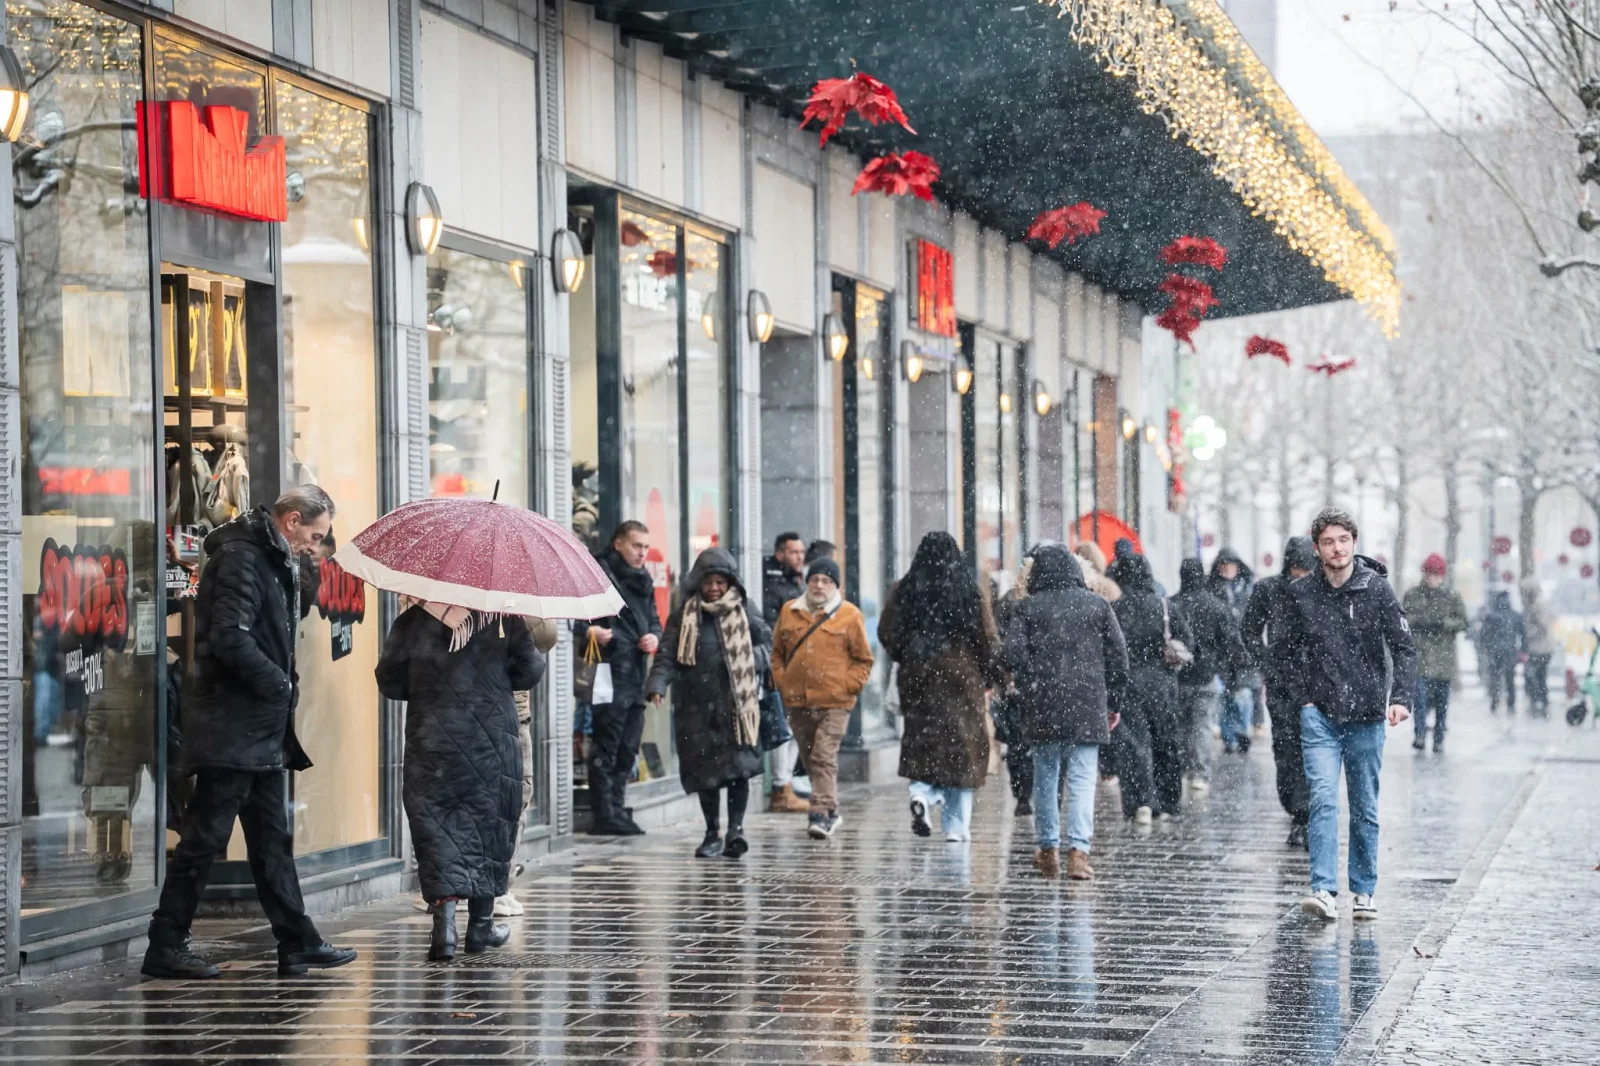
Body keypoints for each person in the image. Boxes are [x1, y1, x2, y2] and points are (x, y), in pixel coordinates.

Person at [143, 487, 357, 980]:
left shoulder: (275, 558)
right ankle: (165, 944)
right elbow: (229, 637)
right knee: (204, 838)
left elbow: (280, 624)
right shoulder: (241, 558)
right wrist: (279, 684)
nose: (317, 545)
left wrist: (305, 570)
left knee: (271, 840)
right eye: (315, 536)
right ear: (292, 520)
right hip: (234, 725)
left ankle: (297, 942)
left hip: (259, 728)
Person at [377, 603, 543, 960]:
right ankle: (480, 929)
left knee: (438, 831)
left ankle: (445, 930)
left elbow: (389, 679)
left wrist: (430, 682)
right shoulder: (503, 618)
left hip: (432, 739)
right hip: (492, 740)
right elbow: (530, 671)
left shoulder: (413, 620)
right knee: (490, 825)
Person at [1280, 507, 1417, 922]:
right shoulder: (1302, 594)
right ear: (1317, 546)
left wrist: (1401, 698)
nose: (1336, 548)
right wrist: (1302, 698)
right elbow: (1283, 652)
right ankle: (1323, 889)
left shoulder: (1375, 589)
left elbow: (1404, 648)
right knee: (1322, 798)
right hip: (1319, 714)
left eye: (1343, 540)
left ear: (1354, 543)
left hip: (1367, 714)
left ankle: (1364, 891)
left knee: (1364, 805)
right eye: (1328, 541)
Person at [1002, 546, 1128, 879]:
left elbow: (1011, 654)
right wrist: (1113, 702)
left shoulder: (1027, 608)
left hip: (1043, 704)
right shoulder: (1097, 605)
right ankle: (1078, 853)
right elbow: (1118, 659)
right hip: (1087, 704)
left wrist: (1031, 679)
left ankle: (1047, 851)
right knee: (1083, 778)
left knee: (1045, 777)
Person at [646, 548, 771, 859]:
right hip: (695, 707)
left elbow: (768, 645)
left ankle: (736, 830)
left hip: (736, 707)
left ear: (731, 583)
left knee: (738, 771)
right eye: (708, 582)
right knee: (706, 775)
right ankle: (712, 832)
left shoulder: (745, 610)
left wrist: (746, 660)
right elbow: (667, 654)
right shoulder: (685, 614)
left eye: (720, 581)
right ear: (698, 583)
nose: (714, 588)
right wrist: (658, 684)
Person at [881, 532, 1002, 844]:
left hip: (918, 675)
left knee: (923, 741)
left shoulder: (904, 591)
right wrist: (988, 675)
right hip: (960, 676)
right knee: (963, 749)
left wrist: (908, 656)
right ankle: (955, 827)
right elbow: (987, 639)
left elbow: (887, 632)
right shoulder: (968, 592)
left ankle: (921, 792)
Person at [771, 557, 874, 838]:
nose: (819, 585)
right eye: (814, 579)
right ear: (806, 581)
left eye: (826, 581)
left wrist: (848, 685)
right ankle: (833, 810)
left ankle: (818, 813)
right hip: (797, 701)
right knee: (809, 757)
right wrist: (782, 681)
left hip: (836, 702)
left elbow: (863, 660)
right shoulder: (789, 611)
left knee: (822, 755)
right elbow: (777, 653)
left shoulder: (849, 615)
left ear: (835, 586)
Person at [573, 520, 663, 835]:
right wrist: (589, 631)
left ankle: (618, 808)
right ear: (618, 544)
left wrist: (653, 636)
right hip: (606, 672)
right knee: (606, 744)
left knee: (627, 747)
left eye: (645, 547)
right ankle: (604, 814)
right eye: (636, 546)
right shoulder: (597, 575)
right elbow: (573, 618)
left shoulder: (644, 580)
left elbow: (654, 620)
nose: (642, 553)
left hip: (635, 674)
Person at [1240, 536, 1317, 847]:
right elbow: (1248, 630)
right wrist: (1267, 661)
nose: (1300, 575)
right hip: (1283, 682)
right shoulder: (1269, 590)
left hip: (1316, 683)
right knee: (1286, 749)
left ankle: (1308, 814)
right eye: (1296, 569)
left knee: (1314, 749)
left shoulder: (1321, 590)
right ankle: (1298, 810)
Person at [1109, 554, 1193, 823]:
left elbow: (1109, 650)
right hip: (1162, 683)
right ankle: (1168, 799)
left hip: (1128, 683)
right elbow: (1188, 642)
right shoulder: (1164, 607)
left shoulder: (1116, 608)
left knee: (1134, 743)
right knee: (1165, 740)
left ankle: (1141, 801)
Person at [1170, 557, 1248, 795]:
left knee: (1181, 726)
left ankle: (1182, 769)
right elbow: (1232, 643)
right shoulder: (1215, 606)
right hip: (1206, 676)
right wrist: (1235, 666)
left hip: (1177, 676)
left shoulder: (1172, 604)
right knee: (1202, 726)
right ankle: (1200, 774)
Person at [761, 532, 810, 813]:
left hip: (796, 664)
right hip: (781, 665)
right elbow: (772, 626)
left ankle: (786, 783)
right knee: (784, 727)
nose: (800, 558)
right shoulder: (773, 585)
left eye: (802, 553)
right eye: (794, 552)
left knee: (795, 726)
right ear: (780, 554)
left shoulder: (794, 583)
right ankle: (781, 788)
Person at [1402, 555, 1469, 752]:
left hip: (1443, 657)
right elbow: (1403, 617)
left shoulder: (1452, 596)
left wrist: (1444, 624)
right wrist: (1420, 621)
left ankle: (1439, 738)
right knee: (1420, 700)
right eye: (1430, 574)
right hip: (1421, 655)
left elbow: (1463, 622)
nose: (1433, 579)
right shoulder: (1413, 594)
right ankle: (1420, 734)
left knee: (1442, 702)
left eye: (1437, 575)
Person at [1207, 547, 1259, 752]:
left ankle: (1242, 731)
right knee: (1226, 696)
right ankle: (1230, 738)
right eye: (1224, 565)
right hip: (1222, 653)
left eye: (1231, 565)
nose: (1227, 569)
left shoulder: (1247, 590)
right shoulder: (1212, 590)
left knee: (1243, 694)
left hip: (1244, 651)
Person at [1476, 590, 1524, 714]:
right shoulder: (1514, 615)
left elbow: (1484, 635)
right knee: (1510, 679)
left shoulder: (1491, 616)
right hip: (1510, 652)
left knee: (1495, 677)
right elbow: (1523, 634)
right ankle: (1511, 704)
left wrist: (1487, 648)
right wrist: (1522, 650)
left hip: (1495, 652)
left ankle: (1494, 701)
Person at [1521, 578, 1556, 717]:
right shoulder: (1540, 602)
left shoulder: (1537, 604)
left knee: (1533, 674)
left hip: (1539, 646)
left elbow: (1543, 625)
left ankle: (1538, 701)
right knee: (1539, 676)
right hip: (1543, 646)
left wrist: (1529, 634)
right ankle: (1542, 701)